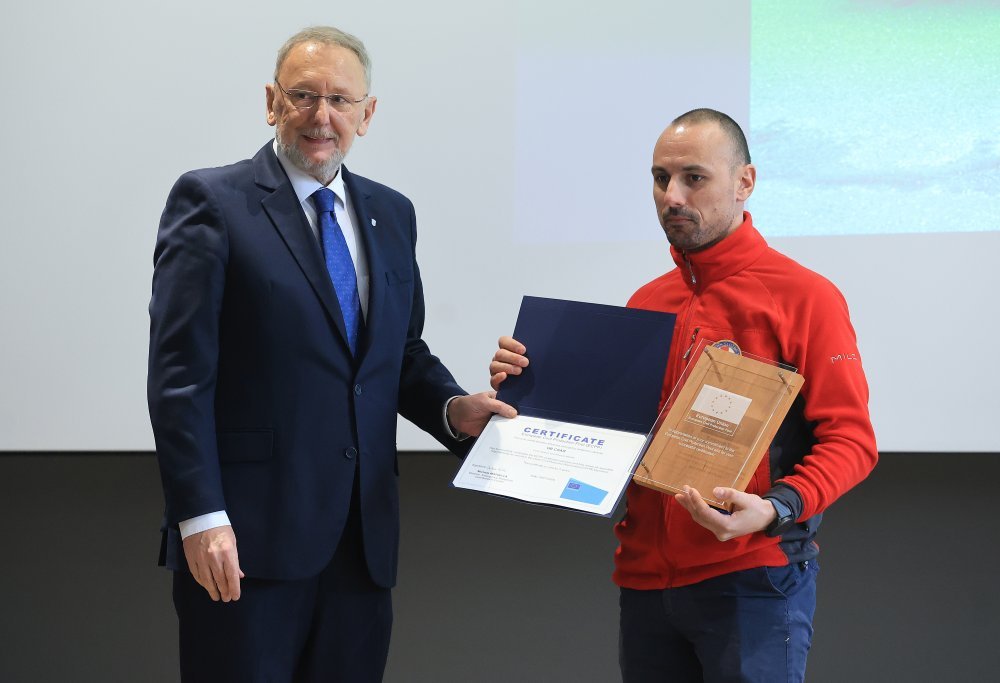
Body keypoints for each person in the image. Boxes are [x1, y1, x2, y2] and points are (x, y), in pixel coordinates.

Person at [147, 26, 514, 682]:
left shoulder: (392, 213)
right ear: (271, 102)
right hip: (245, 542)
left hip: (361, 544)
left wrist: (454, 409)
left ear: (366, 114)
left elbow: (398, 353)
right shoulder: (212, 202)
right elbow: (180, 378)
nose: (322, 116)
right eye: (303, 95)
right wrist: (199, 516)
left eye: (341, 100)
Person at [490, 108, 878, 682]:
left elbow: (851, 442)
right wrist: (528, 394)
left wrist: (777, 507)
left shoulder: (806, 298)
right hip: (645, 583)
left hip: (753, 578)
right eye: (660, 178)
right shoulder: (647, 302)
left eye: (694, 178)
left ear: (745, 182)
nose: (671, 196)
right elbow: (618, 439)